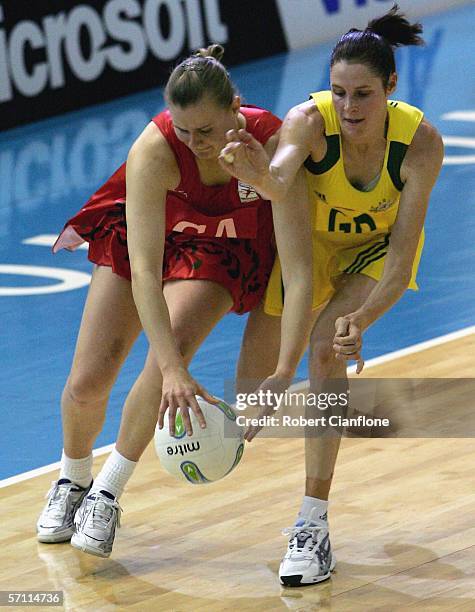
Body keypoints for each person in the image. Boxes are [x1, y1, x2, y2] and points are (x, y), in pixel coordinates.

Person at [36, 45, 313, 558]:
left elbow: (299, 268)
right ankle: (72, 479)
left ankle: (106, 493)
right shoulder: (156, 150)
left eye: (205, 131)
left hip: (220, 249)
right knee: (87, 384)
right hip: (149, 240)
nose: (195, 143)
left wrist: (174, 365)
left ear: (236, 105)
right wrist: (169, 368)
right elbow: (144, 269)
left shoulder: (271, 143)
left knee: (178, 345)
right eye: (183, 130)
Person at [219, 5, 444, 586]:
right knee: (251, 398)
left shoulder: (419, 143)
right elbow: (281, 181)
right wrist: (257, 171)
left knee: (327, 350)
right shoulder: (307, 122)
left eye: (363, 94)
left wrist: (363, 318)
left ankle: (312, 525)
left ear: (392, 87)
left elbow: (401, 257)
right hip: (314, 250)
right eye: (338, 92)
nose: (348, 108)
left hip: (376, 257)